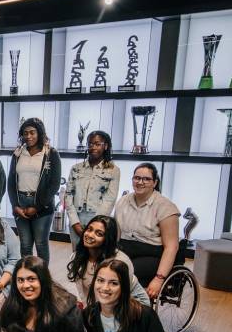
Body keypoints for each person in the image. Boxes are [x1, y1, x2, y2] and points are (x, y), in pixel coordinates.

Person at [114, 163, 181, 299]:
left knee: (123, 273)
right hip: (125, 249)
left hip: (152, 254)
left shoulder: (166, 207)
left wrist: (159, 279)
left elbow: (171, 247)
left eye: (146, 179)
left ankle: (129, 310)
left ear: (155, 183)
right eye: (137, 178)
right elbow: (116, 236)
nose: (140, 182)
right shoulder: (122, 202)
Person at [7, 118, 62, 264]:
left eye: (32, 132)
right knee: (25, 245)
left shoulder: (51, 153)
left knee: (41, 244)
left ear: (40, 133)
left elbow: (54, 184)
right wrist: (15, 206)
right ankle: (27, 276)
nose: (28, 136)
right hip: (21, 204)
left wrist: (36, 207)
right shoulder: (18, 153)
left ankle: (42, 278)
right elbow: (11, 181)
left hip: (42, 204)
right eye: (25, 133)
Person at [66, 215, 150, 306]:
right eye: (89, 229)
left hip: (131, 304)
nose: (90, 235)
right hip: (102, 305)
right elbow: (84, 293)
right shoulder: (77, 256)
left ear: (107, 239)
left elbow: (117, 297)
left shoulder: (119, 261)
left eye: (99, 234)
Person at [63, 129, 121, 248]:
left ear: (106, 146)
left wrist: (95, 224)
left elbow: (110, 199)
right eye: (90, 144)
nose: (93, 147)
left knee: (95, 254)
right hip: (77, 217)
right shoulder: (76, 168)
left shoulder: (113, 170)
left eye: (97, 144)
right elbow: (68, 196)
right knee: (77, 253)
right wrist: (74, 222)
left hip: (98, 218)